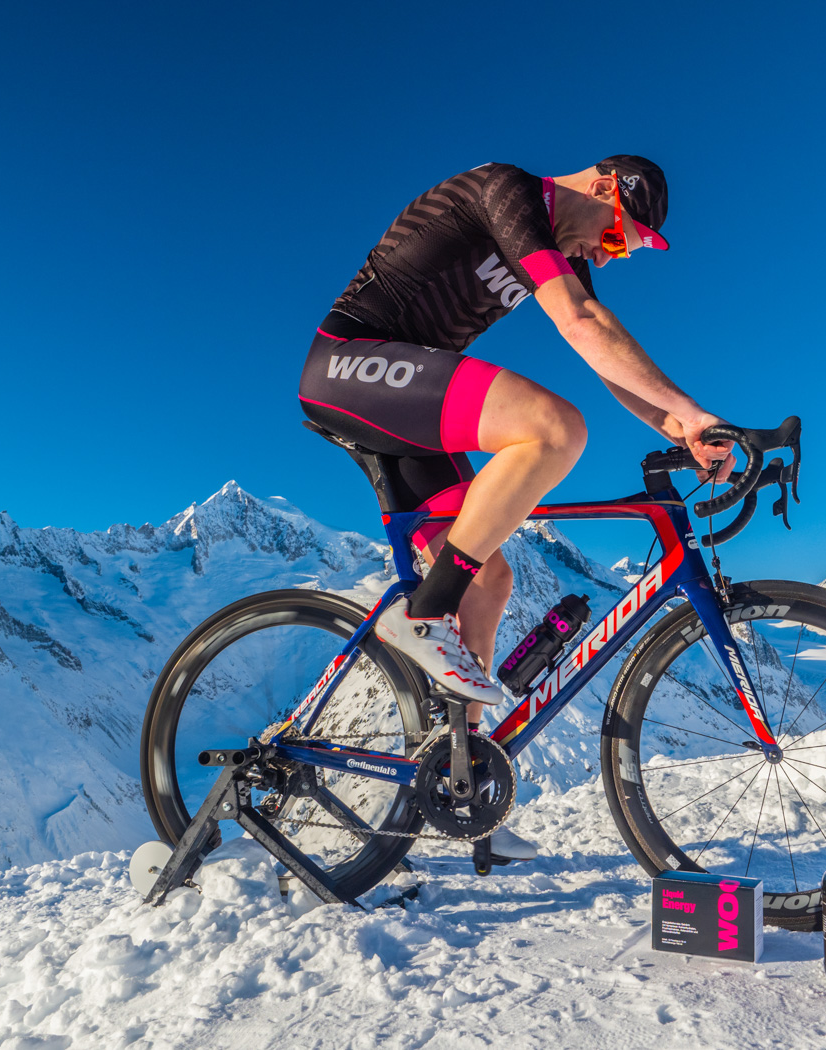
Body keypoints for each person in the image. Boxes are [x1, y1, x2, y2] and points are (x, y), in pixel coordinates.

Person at [298, 156, 734, 861]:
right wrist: (692, 410)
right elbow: (580, 320)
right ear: (603, 187)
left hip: (401, 395)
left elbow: (603, 355)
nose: (607, 256)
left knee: (490, 580)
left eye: (621, 252)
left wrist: (680, 427)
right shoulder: (509, 192)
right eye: (617, 237)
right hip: (350, 364)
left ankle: (463, 789)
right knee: (554, 428)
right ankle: (422, 616)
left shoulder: (566, 247)